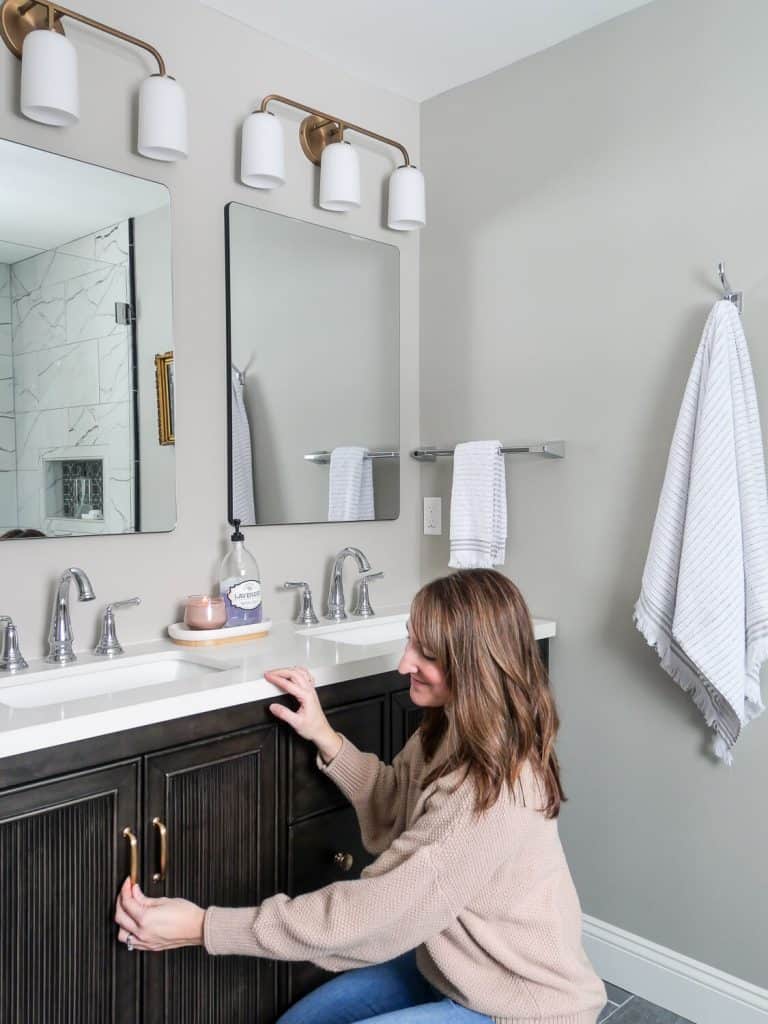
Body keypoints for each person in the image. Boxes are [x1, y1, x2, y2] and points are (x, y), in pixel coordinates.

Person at [114, 569, 607, 1024]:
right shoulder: (451, 730)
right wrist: (325, 736)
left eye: (427, 654)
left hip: (522, 1005)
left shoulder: (495, 788)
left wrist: (204, 927)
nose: (404, 663)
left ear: (474, 665)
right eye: (411, 639)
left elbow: (373, 912)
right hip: (452, 968)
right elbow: (395, 803)